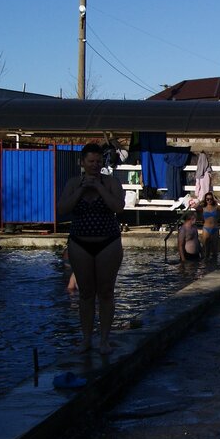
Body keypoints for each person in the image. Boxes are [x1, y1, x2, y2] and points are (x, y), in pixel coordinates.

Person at [57, 143, 126, 355]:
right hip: (80, 242)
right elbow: (62, 209)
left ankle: (104, 339)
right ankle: (86, 338)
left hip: (108, 242)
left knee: (105, 292)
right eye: (91, 161)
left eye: (98, 161)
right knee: (86, 294)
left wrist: (99, 187)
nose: (95, 165)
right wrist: (81, 190)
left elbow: (118, 207)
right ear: (82, 162)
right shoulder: (72, 184)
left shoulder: (111, 182)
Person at [200, 192, 220, 259]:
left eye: (211, 199)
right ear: (205, 200)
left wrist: (217, 200)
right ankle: (206, 265)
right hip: (206, 229)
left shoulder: (216, 207)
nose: (209, 200)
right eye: (207, 199)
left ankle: (214, 265)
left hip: (215, 228)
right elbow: (194, 207)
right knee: (206, 249)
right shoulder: (203, 208)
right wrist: (202, 200)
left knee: (215, 250)